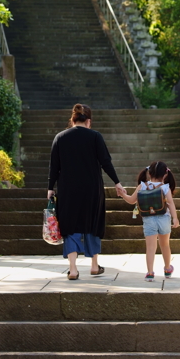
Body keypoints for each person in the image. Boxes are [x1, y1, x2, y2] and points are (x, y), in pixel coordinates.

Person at [47, 103, 124, 280]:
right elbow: (106, 162)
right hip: (92, 189)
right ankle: (95, 266)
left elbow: (54, 167)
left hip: (68, 189)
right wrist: (117, 182)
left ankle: (73, 269)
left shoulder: (60, 138)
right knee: (93, 223)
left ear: (72, 120)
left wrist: (50, 188)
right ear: (88, 121)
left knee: (70, 224)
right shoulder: (95, 137)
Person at [117, 161, 180, 280]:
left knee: (150, 247)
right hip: (164, 218)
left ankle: (150, 272)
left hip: (148, 219)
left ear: (149, 173)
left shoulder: (142, 186)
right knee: (165, 245)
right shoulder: (165, 187)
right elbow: (171, 203)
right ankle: (167, 268)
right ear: (165, 175)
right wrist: (175, 218)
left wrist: (122, 194)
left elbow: (131, 200)